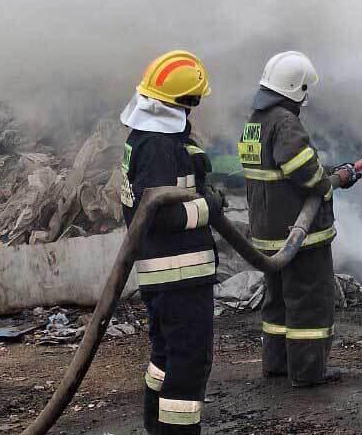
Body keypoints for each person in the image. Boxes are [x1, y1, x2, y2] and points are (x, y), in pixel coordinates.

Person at [238, 51, 359, 388]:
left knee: (277, 302)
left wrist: (328, 173)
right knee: (309, 302)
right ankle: (308, 372)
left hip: (267, 232)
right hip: (299, 235)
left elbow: (277, 168)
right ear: (295, 88)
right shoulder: (284, 122)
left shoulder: (255, 122)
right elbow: (302, 171)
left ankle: (277, 364)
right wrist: (331, 181)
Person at [120, 50, 225, 434]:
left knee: (165, 357)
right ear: (185, 101)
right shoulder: (158, 148)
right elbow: (158, 214)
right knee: (189, 362)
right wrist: (209, 207)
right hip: (179, 274)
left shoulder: (148, 139)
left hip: (163, 273)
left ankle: (156, 426)